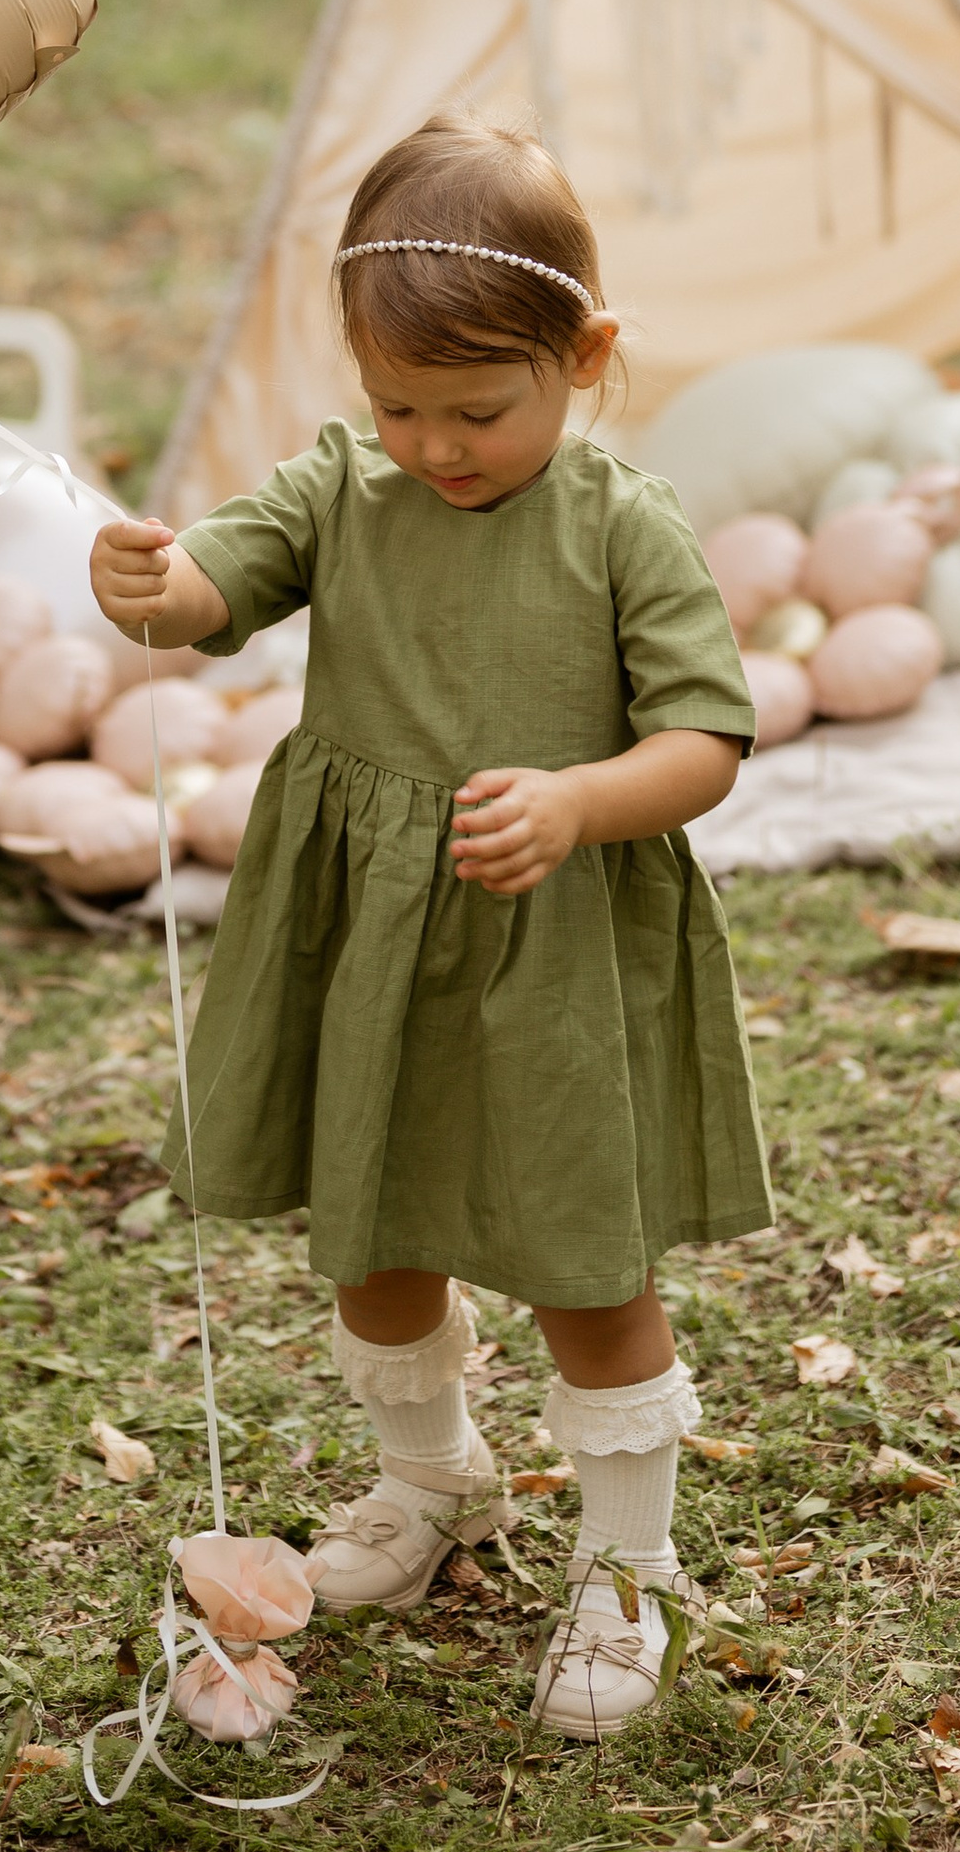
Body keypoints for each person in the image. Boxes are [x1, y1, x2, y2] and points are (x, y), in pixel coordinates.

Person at [90, 112, 771, 1743]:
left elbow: (710, 738)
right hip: (371, 946)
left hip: (550, 951)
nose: (435, 444)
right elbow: (216, 588)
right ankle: (436, 1479)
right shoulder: (345, 487)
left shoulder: (621, 526)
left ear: (584, 355)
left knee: (585, 1262)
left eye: (480, 408)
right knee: (379, 1234)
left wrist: (579, 800)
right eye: (398, 403)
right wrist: (154, 583)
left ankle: (628, 1570)